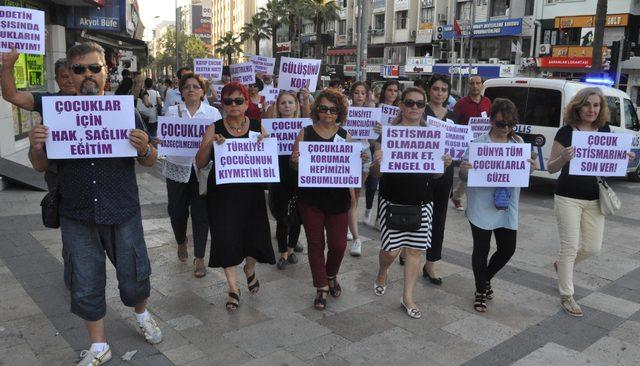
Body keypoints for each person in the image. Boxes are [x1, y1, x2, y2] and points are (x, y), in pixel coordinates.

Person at [27, 42, 161, 366]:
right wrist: (35, 147)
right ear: (69, 75)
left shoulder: (126, 111)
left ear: (106, 72)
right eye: (79, 69)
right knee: (84, 281)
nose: (87, 74)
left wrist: (144, 149)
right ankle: (99, 345)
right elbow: (40, 166)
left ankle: (141, 314)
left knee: (134, 275)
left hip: (122, 210)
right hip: (77, 213)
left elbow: (151, 160)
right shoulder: (55, 115)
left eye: (94, 68)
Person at [547, 87, 634, 317]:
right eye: (587, 104)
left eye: (596, 105)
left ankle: (562, 266)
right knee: (569, 246)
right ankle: (567, 295)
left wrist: (624, 156)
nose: (592, 110)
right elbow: (550, 167)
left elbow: (609, 160)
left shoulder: (603, 130)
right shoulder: (565, 132)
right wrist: (563, 158)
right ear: (578, 106)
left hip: (595, 199)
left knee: (593, 248)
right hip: (567, 197)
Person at [371, 87, 453, 319]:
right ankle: (382, 271)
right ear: (402, 106)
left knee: (415, 251)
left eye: (419, 104)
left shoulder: (431, 134)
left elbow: (435, 176)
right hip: (392, 201)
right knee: (389, 252)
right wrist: (377, 161)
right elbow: (377, 174)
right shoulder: (388, 134)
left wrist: (444, 167)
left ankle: (407, 296)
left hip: (421, 202)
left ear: (424, 106)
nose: (414, 108)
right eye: (409, 103)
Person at [195, 82, 275, 311]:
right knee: (224, 237)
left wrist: (263, 144)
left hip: (251, 194)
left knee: (254, 236)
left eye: (238, 100)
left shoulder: (258, 126)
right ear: (223, 104)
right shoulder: (215, 127)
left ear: (247, 103)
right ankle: (233, 287)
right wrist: (209, 145)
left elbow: (268, 157)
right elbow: (200, 163)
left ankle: (249, 269)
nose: (233, 105)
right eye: (228, 101)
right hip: (222, 196)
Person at [459, 98, 536, 312]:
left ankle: (485, 279)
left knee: (507, 249)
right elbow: (463, 174)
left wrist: (531, 168)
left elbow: (523, 173)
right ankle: (480, 290)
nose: (506, 129)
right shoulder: (478, 144)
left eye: (511, 124)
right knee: (481, 249)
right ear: (491, 121)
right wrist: (465, 170)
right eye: (502, 124)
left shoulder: (518, 144)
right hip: (481, 205)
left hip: (506, 205)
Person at [291, 89, 365, 310]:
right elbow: (294, 165)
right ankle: (321, 286)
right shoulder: (305, 133)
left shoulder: (345, 136)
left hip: (338, 200)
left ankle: (331, 274)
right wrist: (295, 161)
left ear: (339, 112)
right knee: (315, 243)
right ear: (316, 110)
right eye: (323, 108)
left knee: (339, 245)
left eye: (333, 110)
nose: (328, 113)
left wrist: (358, 158)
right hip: (311, 199)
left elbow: (352, 168)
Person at [164, 73, 220, 277]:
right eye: (187, 86)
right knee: (176, 211)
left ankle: (199, 257)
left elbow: (221, 139)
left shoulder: (213, 113)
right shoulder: (171, 112)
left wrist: (218, 139)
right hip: (177, 168)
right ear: (181, 91)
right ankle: (181, 241)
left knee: (200, 214)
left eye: (196, 86)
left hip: (202, 171)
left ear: (203, 91)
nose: (191, 90)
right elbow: (165, 136)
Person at [418, 74, 457, 284]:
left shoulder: (453, 117)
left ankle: (431, 263)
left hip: (445, 172)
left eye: (443, 90)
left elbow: (458, 145)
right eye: (436, 89)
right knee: (417, 213)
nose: (439, 93)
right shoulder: (419, 111)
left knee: (439, 218)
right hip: (421, 171)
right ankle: (410, 251)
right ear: (428, 90)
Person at [264, 91, 307, 269]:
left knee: (298, 216)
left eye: (290, 102)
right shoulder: (269, 127)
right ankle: (282, 252)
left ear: (296, 106)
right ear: (277, 107)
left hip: (298, 175)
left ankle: (290, 249)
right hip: (279, 175)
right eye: (283, 103)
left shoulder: (305, 127)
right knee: (282, 216)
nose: (287, 106)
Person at [451, 75, 492, 211]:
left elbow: (490, 121)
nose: (475, 86)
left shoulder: (487, 102)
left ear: (482, 85)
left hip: (483, 144)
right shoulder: (461, 103)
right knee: (468, 172)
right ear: (469, 85)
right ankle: (458, 197)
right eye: (472, 83)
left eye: (478, 83)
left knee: (479, 172)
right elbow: (454, 124)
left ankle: (458, 196)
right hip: (467, 145)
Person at [365, 80, 402, 229]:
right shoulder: (376, 108)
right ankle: (368, 209)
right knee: (373, 184)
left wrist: (389, 130)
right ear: (384, 92)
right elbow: (366, 128)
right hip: (375, 147)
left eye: (395, 91)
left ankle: (379, 217)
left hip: (390, 150)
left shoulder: (400, 111)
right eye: (390, 90)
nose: (392, 93)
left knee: (384, 185)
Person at [346, 81, 375, 256]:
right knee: (350, 195)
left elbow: (372, 141)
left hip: (365, 153)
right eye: (356, 93)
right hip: (349, 152)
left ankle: (349, 223)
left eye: (362, 93)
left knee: (357, 193)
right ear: (352, 95)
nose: (359, 96)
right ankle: (350, 230)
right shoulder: (346, 111)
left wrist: (378, 130)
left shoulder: (370, 113)